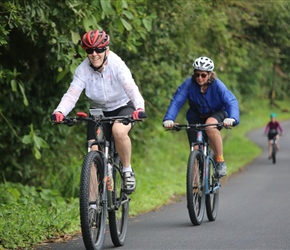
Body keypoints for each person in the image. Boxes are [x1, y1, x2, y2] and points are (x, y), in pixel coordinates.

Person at [51, 29, 146, 194]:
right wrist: (60, 112)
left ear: (106, 50)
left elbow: (131, 88)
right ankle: (92, 205)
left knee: (118, 131)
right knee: (93, 151)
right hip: (98, 111)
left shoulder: (117, 65)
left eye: (99, 49)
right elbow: (71, 95)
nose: (94, 54)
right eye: (89, 50)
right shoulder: (82, 70)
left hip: (122, 106)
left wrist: (139, 108)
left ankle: (126, 170)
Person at [163, 56, 240, 177]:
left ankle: (220, 161)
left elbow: (231, 101)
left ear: (210, 74)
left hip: (216, 113)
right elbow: (177, 101)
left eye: (203, 75)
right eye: (197, 74)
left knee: (210, 125)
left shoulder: (217, 85)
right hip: (196, 116)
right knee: (195, 149)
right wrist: (169, 119)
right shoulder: (189, 84)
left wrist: (233, 118)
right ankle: (194, 187)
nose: (200, 78)